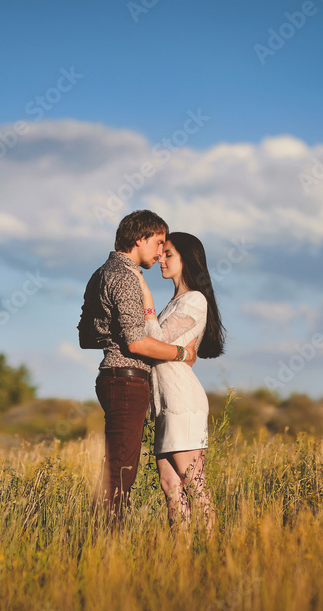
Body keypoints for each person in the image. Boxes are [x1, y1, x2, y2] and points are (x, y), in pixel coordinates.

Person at [78, 210, 199, 524]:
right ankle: (105, 547)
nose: (161, 251)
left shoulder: (100, 273)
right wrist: (181, 352)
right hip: (127, 381)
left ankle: (103, 541)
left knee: (118, 465)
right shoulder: (127, 277)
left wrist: (113, 337)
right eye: (158, 242)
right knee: (121, 471)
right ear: (139, 239)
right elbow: (137, 344)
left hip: (111, 377)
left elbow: (86, 335)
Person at [125, 231, 226, 530]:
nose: (160, 260)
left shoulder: (194, 300)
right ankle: (180, 562)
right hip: (164, 405)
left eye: (169, 254)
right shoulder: (175, 302)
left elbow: (155, 340)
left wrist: (145, 298)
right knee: (171, 487)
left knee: (194, 484)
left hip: (183, 401)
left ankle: (212, 553)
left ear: (187, 258)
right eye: (162, 253)